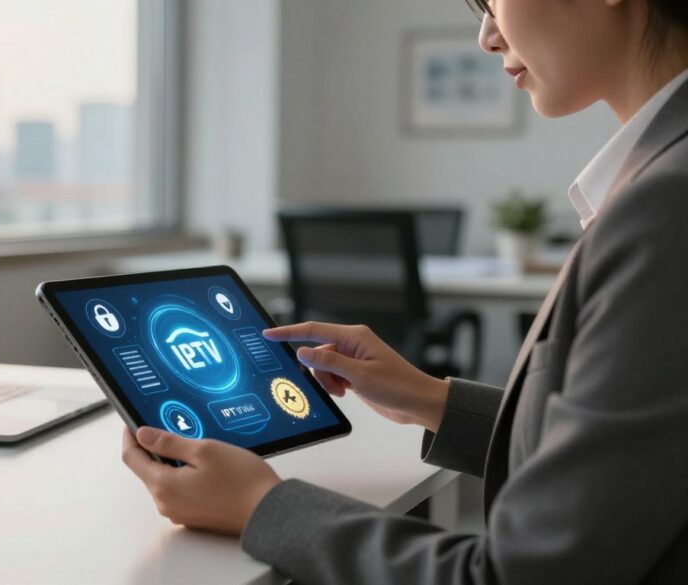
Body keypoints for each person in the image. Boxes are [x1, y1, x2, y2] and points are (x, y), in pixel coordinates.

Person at [120, 0, 688, 583]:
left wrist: (260, 507)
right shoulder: (658, 183)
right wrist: (430, 398)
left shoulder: (665, 208)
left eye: (492, 1)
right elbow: (634, 459)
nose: (488, 36)